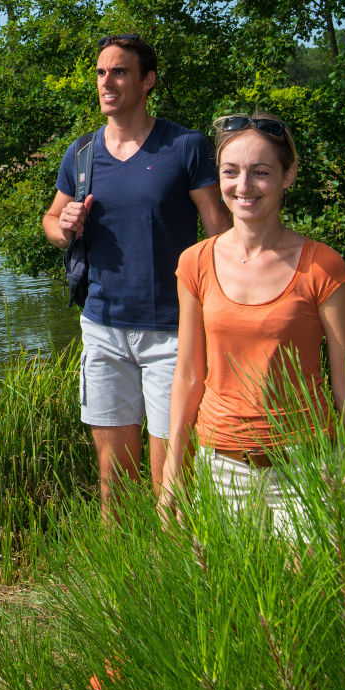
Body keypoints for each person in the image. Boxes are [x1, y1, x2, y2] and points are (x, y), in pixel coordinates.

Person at [42, 34, 231, 521]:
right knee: (113, 482)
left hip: (174, 332)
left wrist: (229, 309)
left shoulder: (185, 147)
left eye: (120, 72)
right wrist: (64, 229)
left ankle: (174, 578)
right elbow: (50, 221)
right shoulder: (81, 154)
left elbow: (220, 233)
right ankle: (117, 585)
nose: (108, 82)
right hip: (102, 329)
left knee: (172, 481)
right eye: (102, 73)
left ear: (147, 81)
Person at [156, 112, 345, 535]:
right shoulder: (194, 262)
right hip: (221, 471)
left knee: (311, 591)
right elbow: (187, 375)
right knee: (226, 595)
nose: (243, 186)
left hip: (306, 468)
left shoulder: (322, 266)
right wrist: (172, 476)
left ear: (288, 175)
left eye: (261, 172)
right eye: (231, 172)